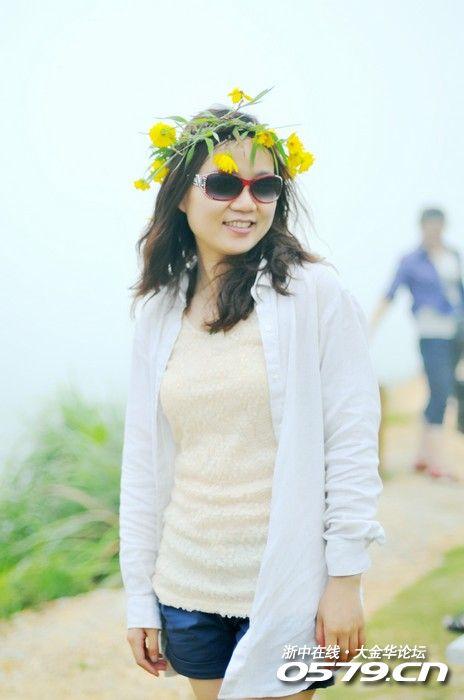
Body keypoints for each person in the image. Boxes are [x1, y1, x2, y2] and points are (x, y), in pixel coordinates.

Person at [119, 87, 386, 700]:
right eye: (223, 184)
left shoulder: (315, 294)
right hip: (186, 586)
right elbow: (142, 464)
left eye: (264, 187)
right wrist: (140, 596)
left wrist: (346, 577)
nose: (245, 202)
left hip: (288, 588)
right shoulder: (158, 312)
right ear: (181, 194)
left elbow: (350, 438)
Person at [370, 208, 464, 479]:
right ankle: (437, 462)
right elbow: (390, 293)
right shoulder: (411, 260)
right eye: (429, 226)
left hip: (456, 332)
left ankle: (423, 456)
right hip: (431, 332)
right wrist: (370, 326)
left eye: (438, 226)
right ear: (421, 227)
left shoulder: (452, 255)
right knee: (442, 391)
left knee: (440, 390)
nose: (434, 231)